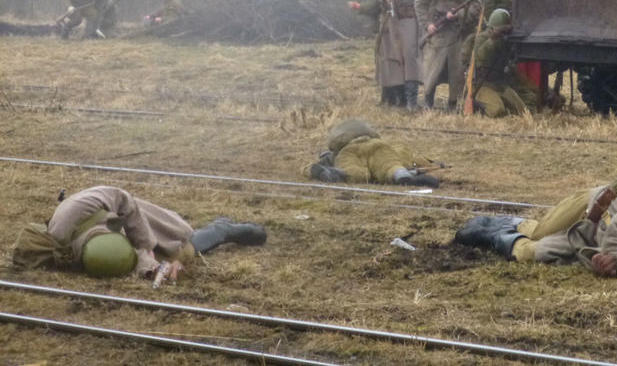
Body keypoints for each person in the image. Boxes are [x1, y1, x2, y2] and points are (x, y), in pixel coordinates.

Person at [455, 183, 617, 281]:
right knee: (541, 232)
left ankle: (494, 235)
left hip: (591, 236)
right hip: (590, 207)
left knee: (533, 252)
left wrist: (610, 266)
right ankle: (514, 221)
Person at [11, 186, 266, 282]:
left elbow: (121, 200)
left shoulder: (74, 220)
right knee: (168, 254)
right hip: (117, 225)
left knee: (182, 249)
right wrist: (151, 267)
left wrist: (151, 258)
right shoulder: (68, 250)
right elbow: (125, 249)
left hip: (132, 214)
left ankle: (223, 229)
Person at [371, 0, 440, 111]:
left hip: (410, 17)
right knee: (392, 57)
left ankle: (411, 101)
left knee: (410, 56)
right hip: (391, 18)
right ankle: (396, 98)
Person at [414, 0, 482, 111]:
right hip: (439, 32)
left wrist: (458, 15)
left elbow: (477, 5)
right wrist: (428, 24)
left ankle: (453, 104)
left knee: (457, 70)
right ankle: (428, 102)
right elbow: (419, 2)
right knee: (432, 69)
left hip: (460, 33)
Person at [303, 119, 444, 188]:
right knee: (389, 166)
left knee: (354, 172)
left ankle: (336, 174)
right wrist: (432, 163)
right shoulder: (382, 144)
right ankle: (402, 175)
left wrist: (310, 170)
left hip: (348, 153)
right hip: (379, 148)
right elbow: (411, 157)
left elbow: (313, 165)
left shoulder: (337, 153)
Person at [350, 0, 405, 107]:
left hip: (391, 24)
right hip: (389, 24)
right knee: (385, 62)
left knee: (391, 62)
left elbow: (376, 4)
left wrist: (360, 7)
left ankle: (398, 99)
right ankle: (388, 97)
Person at [464, 8, 538, 117]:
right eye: (502, 30)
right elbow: (481, 58)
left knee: (524, 113)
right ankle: (477, 106)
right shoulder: (482, 38)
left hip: (500, 83)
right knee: (496, 110)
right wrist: (493, 39)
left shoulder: (506, 40)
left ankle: (502, 106)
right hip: (483, 84)